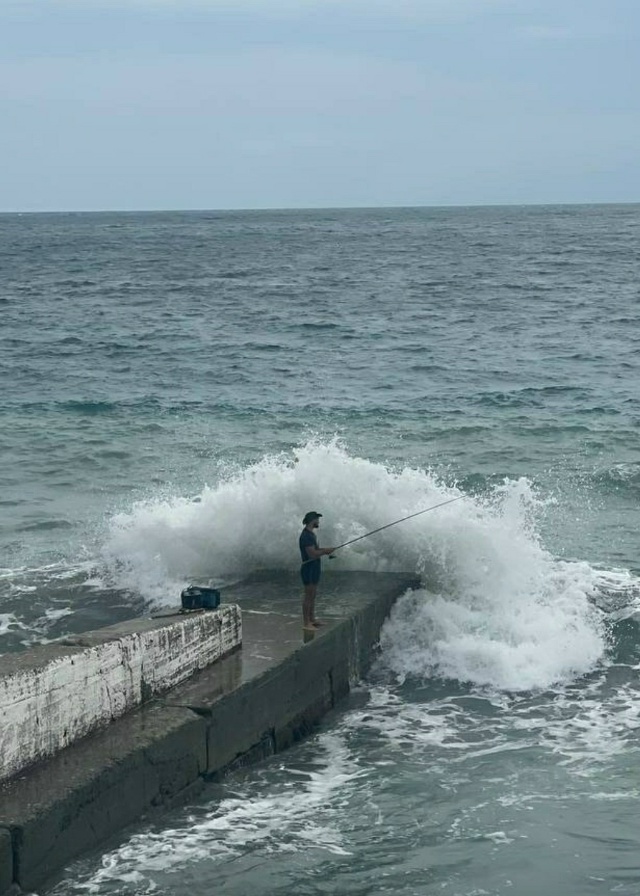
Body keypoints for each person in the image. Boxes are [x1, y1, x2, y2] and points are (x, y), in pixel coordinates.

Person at [299, 511, 336, 630]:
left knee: (313, 595)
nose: (318, 522)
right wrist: (325, 552)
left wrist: (327, 550)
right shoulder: (306, 536)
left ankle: (312, 619)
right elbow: (312, 554)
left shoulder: (311, 534)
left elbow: (316, 550)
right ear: (312, 520)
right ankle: (306, 623)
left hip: (314, 567)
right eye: (317, 519)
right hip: (308, 568)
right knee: (308, 595)